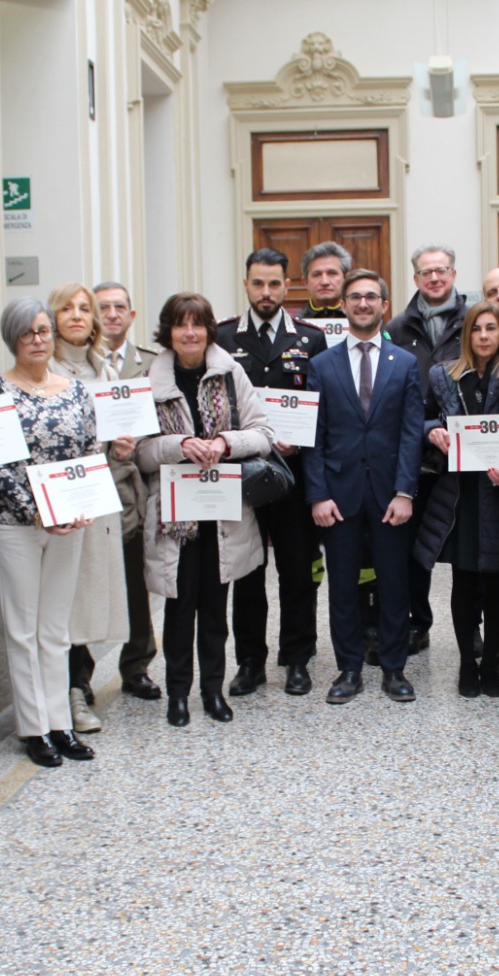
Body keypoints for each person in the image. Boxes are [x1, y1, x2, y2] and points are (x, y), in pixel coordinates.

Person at [0, 298, 113, 767]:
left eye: (42, 331)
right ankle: (34, 728)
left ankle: (61, 722)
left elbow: (90, 454)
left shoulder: (75, 390)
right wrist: (41, 513)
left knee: (56, 629)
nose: (37, 340)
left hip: (69, 524)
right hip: (15, 523)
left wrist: (81, 508)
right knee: (22, 628)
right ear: (12, 339)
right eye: (27, 333)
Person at [136, 293, 275, 726]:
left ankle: (213, 692)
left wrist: (223, 443)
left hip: (221, 510)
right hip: (175, 517)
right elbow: (138, 453)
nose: (190, 333)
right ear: (168, 332)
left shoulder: (231, 374)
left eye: (198, 324)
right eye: (181, 325)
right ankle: (178, 694)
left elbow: (265, 434)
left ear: (210, 329)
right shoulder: (149, 380)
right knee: (179, 609)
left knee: (215, 610)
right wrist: (178, 446)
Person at [308, 269, 424, 704]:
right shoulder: (322, 365)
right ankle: (349, 669)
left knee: (395, 584)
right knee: (341, 586)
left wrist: (405, 492)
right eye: (354, 297)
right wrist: (318, 494)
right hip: (337, 496)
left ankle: (394, 669)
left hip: (390, 496)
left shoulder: (406, 364)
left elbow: (412, 433)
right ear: (344, 305)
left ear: (384, 305)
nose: (362, 304)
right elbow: (314, 438)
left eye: (370, 297)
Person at [216, 250, 328, 697]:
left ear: (287, 286)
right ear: (246, 284)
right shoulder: (224, 337)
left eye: (275, 284)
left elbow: (322, 408)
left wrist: (299, 439)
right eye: (258, 284)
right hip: (242, 475)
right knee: (246, 573)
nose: (266, 292)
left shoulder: (310, 339)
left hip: (292, 474)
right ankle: (249, 662)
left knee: (297, 571)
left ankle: (298, 659)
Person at [414, 301, 499, 698]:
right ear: (466, 335)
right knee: (464, 581)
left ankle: (491, 662)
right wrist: (432, 432)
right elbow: (422, 415)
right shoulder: (444, 375)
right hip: (459, 495)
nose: (484, 336)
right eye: (477, 330)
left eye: (491, 329)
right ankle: (465, 664)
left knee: (497, 584)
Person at [48, 281, 140, 734]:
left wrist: (121, 448)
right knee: (59, 601)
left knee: (85, 599)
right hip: (56, 499)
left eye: (85, 309)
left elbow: (111, 438)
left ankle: (79, 686)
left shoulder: (104, 372)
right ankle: (62, 693)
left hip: (97, 496)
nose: (78, 316)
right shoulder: (43, 367)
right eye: (68, 308)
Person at [385, 244, 468, 652]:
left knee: (468, 547)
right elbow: (391, 396)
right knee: (413, 548)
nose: (435, 278)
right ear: (415, 278)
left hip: (467, 455)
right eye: (426, 272)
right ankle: (418, 624)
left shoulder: (477, 322)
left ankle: (473, 631)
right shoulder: (398, 328)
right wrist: (427, 428)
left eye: (442, 270)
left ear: (453, 273)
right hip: (415, 457)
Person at [85, 280, 164, 702]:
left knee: (137, 581)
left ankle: (137, 666)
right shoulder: (76, 367)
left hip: (135, 487)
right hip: (90, 487)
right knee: (86, 584)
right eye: (103, 308)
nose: (112, 314)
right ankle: (80, 675)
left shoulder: (151, 364)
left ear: (132, 316)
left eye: (120, 307)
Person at [302, 241, 352, 319]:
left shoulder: (361, 322)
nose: (324, 282)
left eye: (332, 273)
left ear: (346, 278)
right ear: (305, 282)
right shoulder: (292, 326)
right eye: (317, 274)